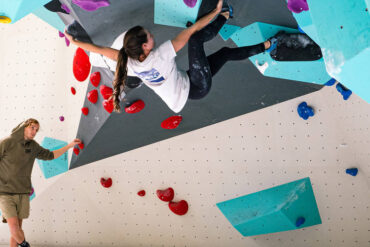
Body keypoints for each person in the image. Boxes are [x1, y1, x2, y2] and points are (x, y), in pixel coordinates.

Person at [65, 0, 276, 113]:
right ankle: (225, 15)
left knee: (225, 54)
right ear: (145, 47)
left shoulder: (127, 61)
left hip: (187, 85)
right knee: (195, 41)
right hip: (196, 87)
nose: (152, 33)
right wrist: (215, 11)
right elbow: (192, 32)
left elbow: (99, 50)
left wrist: (76, 42)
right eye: (149, 35)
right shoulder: (161, 55)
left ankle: (265, 46)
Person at [0, 119, 81, 247]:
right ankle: (25, 245)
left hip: (23, 192)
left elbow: (51, 155)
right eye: (32, 128)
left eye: (36, 130)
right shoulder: (7, 142)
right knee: (14, 229)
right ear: (24, 127)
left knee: (17, 230)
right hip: (5, 193)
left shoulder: (33, 146)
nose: (34, 132)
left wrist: (69, 145)